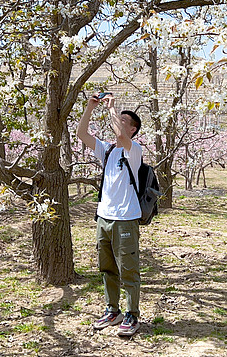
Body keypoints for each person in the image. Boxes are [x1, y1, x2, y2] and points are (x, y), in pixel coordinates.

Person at [76, 92, 143, 337]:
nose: (119, 122)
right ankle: (112, 310)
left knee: (128, 269)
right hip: (103, 218)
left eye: (125, 121)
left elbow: (119, 135)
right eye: (119, 119)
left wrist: (113, 107)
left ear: (133, 130)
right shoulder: (106, 151)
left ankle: (131, 314)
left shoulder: (133, 150)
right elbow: (82, 135)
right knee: (107, 268)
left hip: (125, 218)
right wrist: (90, 108)